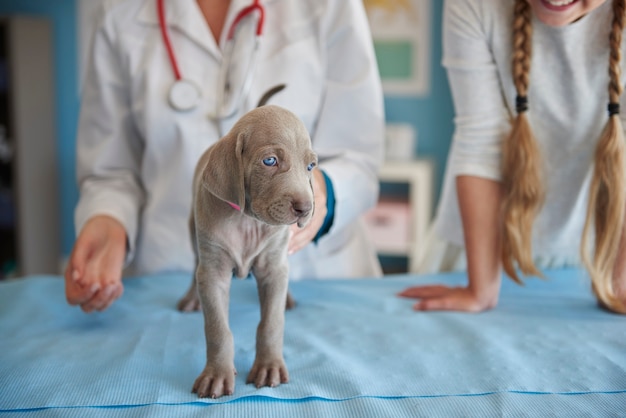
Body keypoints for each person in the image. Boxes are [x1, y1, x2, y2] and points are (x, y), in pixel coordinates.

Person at [65, 0, 385, 313]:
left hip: (312, 277)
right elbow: (110, 170)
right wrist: (109, 216)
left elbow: (358, 156)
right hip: (170, 278)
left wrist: (318, 188)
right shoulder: (119, 11)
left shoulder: (330, 5)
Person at [399, 0, 626, 314]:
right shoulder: (473, 5)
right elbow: (481, 142)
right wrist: (480, 290)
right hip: (477, 248)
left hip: (592, 252)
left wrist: (621, 282)